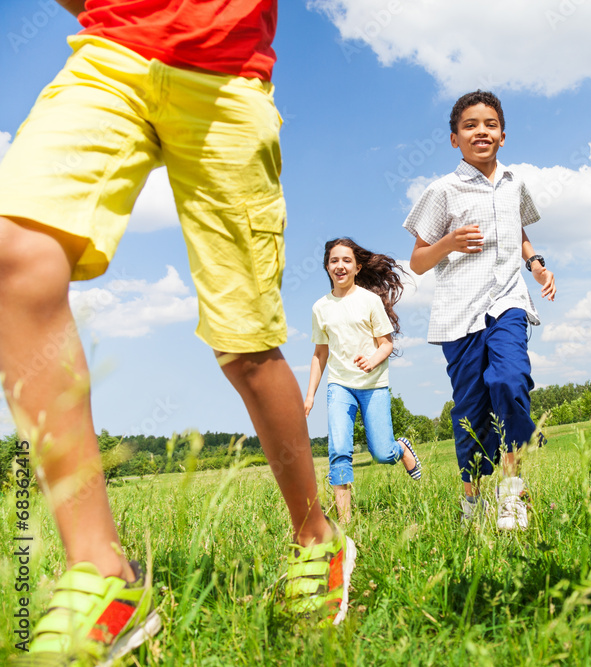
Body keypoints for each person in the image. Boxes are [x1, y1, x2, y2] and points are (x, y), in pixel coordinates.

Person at [0, 1, 354, 662]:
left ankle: (316, 538)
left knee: (246, 349)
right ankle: (103, 573)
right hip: (112, 56)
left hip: (228, 81)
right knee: (13, 253)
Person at [403, 90, 556, 530]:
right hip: (459, 314)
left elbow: (519, 229)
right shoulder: (442, 191)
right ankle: (472, 500)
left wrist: (536, 264)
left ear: (503, 135)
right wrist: (448, 243)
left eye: (489, 124)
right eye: (469, 125)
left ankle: (512, 495)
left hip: (507, 301)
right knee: (470, 412)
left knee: (509, 382)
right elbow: (416, 260)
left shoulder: (515, 183)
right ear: (455, 139)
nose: (480, 131)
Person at [305, 238, 422, 525]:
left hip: (373, 384)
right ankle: (345, 524)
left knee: (382, 453)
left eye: (346, 260)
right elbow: (320, 354)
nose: (340, 266)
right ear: (327, 267)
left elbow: (386, 344)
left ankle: (401, 448)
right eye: (334, 261)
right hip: (340, 385)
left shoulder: (369, 301)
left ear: (357, 267)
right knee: (338, 451)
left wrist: (372, 360)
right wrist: (309, 396)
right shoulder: (320, 307)